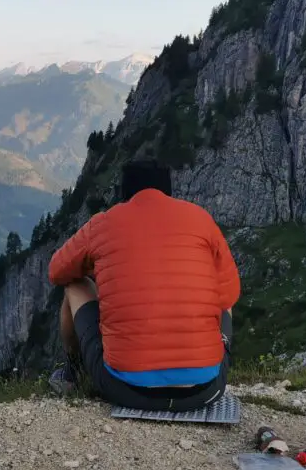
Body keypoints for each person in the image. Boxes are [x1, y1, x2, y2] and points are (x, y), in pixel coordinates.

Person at [47, 159, 240, 411]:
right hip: (205, 391)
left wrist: (98, 261)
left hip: (126, 390)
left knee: (74, 285)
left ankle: (73, 374)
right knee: (223, 298)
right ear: (167, 190)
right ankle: (198, 362)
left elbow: (57, 272)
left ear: (125, 192)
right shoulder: (201, 219)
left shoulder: (104, 222)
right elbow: (229, 295)